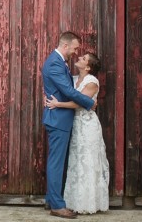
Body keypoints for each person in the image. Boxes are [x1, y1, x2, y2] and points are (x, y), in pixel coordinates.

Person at [46, 52, 109, 214]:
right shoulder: (73, 79)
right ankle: (72, 200)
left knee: (87, 161)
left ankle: (88, 202)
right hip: (75, 125)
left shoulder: (92, 81)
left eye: (83, 59)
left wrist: (58, 104)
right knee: (76, 162)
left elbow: (80, 103)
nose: (79, 58)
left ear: (88, 67)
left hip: (87, 125)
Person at [42, 31, 96, 219]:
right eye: (74, 48)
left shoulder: (58, 62)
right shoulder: (55, 63)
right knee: (56, 163)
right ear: (65, 46)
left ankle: (51, 199)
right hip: (58, 119)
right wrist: (90, 103)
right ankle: (57, 205)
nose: (75, 52)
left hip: (60, 117)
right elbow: (66, 90)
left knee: (57, 162)